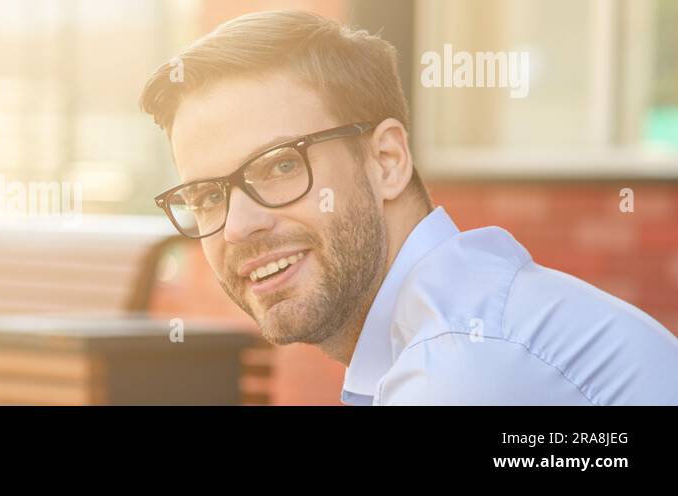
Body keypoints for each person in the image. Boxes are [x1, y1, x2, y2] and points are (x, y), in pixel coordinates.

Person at [139, 10, 678, 405]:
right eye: (208, 197)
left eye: (280, 165)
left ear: (388, 160)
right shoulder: (459, 322)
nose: (237, 226)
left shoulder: (465, 365)